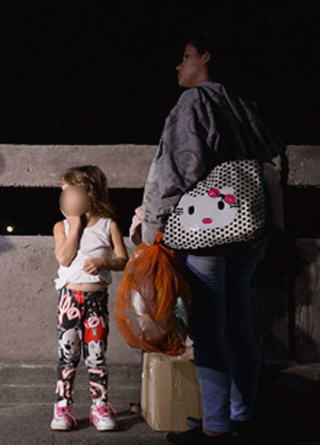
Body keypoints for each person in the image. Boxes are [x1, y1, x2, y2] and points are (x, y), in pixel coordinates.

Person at [141, 37, 283, 444]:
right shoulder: (243, 105)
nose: (179, 66)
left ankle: (216, 427)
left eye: (185, 57)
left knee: (207, 331)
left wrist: (156, 223)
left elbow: (179, 168)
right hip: (247, 229)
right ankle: (241, 417)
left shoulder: (194, 103)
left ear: (206, 58)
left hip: (206, 231)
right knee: (239, 327)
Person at [50, 166, 128, 432]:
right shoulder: (61, 226)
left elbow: (122, 259)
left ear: (89, 193)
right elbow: (64, 258)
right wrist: (76, 226)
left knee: (96, 357)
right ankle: (62, 409)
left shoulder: (109, 225)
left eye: (69, 192)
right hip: (69, 299)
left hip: (96, 300)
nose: (65, 198)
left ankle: (100, 407)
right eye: (63, 194)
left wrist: (104, 261)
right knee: (67, 356)